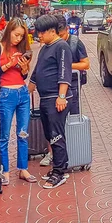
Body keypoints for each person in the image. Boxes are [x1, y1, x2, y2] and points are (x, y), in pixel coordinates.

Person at [28, 14, 73, 189]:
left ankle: (59, 172)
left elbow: (64, 71)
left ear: (52, 31)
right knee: (49, 134)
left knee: (56, 135)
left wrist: (61, 96)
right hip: (45, 99)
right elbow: (37, 71)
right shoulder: (45, 47)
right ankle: (60, 165)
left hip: (56, 99)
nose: (39, 35)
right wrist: (29, 90)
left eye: (41, 32)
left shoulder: (61, 46)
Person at [40, 14, 90, 168]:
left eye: (61, 35)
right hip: (53, 89)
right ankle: (52, 153)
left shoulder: (75, 43)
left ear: (66, 30)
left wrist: (66, 65)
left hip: (72, 87)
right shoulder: (48, 46)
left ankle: (74, 153)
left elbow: (86, 64)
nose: (59, 38)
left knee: (71, 119)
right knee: (53, 124)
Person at [0, 18, 34, 186]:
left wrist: (24, 68)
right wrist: (9, 64)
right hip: (7, 94)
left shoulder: (21, 49)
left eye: (21, 36)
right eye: (16, 35)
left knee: (23, 133)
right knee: (5, 135)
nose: (18, 39)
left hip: (22, 93)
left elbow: (23, 76)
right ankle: (5, 170)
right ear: (9, 32)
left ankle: (23, 168)